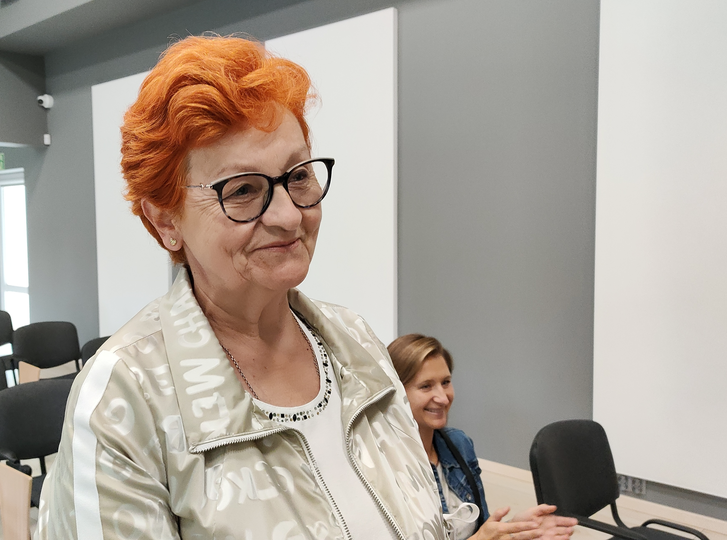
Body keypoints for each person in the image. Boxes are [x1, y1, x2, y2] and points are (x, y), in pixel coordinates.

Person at [37, 35, 450, 540]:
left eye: (298, 175)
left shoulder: (356, 341)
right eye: (243, 190)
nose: (289, 216)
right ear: (165, 220)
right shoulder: (125, 401)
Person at [387, 334, 579, 540]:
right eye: (426, 386)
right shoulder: (381, 468)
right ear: (396, 392)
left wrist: (515, 531)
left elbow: (482, 529)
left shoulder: (459, 445)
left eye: (446, 382)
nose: (443, 398)